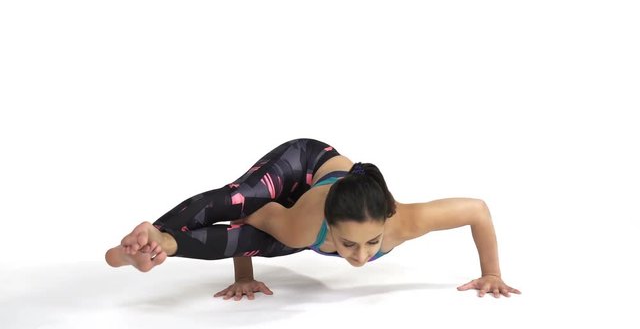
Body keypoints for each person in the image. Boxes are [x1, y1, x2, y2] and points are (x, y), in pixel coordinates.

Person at [105, 138, 520, 300]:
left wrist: (492, 273)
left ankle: (159, 246)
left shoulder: (405, 222)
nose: (360, 257)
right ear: (330, 227)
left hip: (332, 198)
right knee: (239, 198)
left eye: (372, 243)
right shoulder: (305, 221)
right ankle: (155, 236)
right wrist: (243, 274)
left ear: (387, 220)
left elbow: (477, 211)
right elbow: (251, 217)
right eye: (347, 244)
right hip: (302, 164)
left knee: (276, 244)